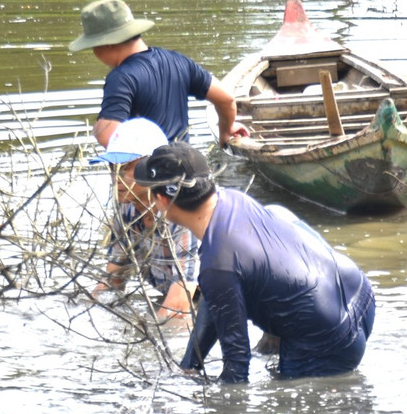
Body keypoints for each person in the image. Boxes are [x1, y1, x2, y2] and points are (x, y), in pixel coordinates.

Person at [133, 142, 375, 383]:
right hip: (359, 294)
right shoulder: (233, 200)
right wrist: (189, 367)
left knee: (282, 406)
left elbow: (237, 368)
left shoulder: (218, 263)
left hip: (327, 340)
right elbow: (214, 298)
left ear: (161, 201)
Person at [70, 0, 250, 148]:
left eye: (92, 46)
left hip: (148, 178)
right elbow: (226, 99)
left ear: (107, 43)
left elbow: (108, 135)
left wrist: (99, 128)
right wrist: (226, 131)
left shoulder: (121, 78)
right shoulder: (179, 61)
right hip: (188, 169)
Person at [89, 117, 197, 320]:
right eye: (113, 169)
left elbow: (180, 305)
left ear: (152, 169)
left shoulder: (180, 212)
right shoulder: (127, 211)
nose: (116, 179)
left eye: (125, 169)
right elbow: (113, 279)